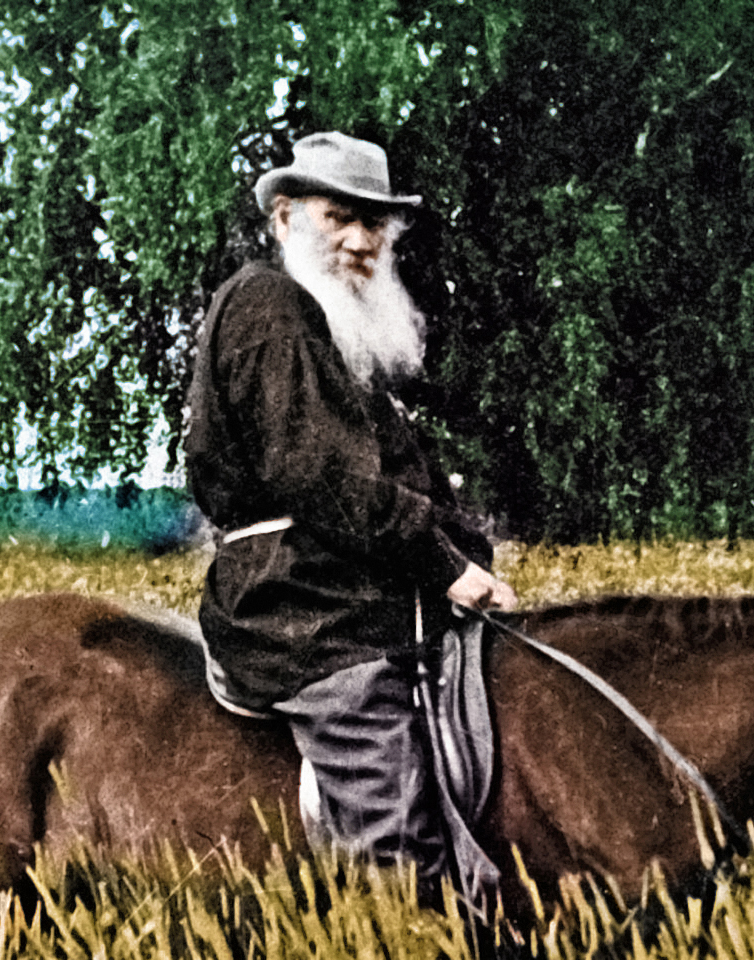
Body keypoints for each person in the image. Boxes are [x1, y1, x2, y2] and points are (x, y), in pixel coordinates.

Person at [185, 131, 516, 912]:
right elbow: (322, 475)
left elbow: (390, 486)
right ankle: (406, 938)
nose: (363, 241)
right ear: (285, 218)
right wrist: (448, 568)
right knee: (396, 833)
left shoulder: (339, 341)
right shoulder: (270, 306)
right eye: (341, 217)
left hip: (353, 595)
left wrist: (466, 552)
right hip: (304, 609)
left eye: (377, 224)